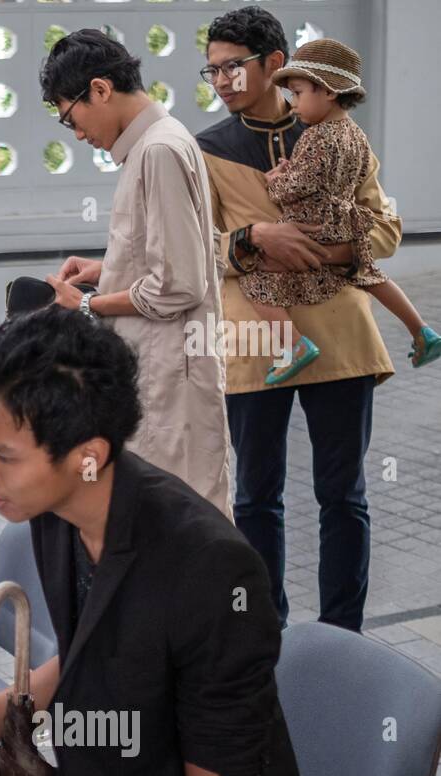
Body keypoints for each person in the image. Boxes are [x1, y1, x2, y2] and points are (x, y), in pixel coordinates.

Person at [0, 307, 312, 776]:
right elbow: (93, 651)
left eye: (2, 455)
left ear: (88, 457)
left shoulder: (212, 571)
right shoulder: (58, 512)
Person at [198, 8, 403, 631]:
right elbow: (192, 245)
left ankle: (344, 636)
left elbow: (387, 227)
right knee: (256, 499)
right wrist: (255, 237)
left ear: (276, 63)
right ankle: (268, 634)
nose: (223, 81)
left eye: (235, 66)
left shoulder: (340, 132)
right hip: (259, 340)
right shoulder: (203, 150)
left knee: (345, 498)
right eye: (212, 71)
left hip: (340, 338)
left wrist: (325, 248)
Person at [41, 30, 231, 517]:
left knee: (178, 527)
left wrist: (86, 303)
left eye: (72, 118)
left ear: (100, 90)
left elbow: (180, 284)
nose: (79, 134)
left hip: (170, 375)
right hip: (164, 368)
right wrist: (108, 269)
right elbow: (179, 255)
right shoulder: (158, 142)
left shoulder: (158, 151)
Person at [241, 39, 440, 383]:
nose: (294, 104)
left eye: (299, 93)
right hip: (347, 221)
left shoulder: (316, 136)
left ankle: (294, 346)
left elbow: (296, 187)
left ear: (329, 91)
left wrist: (275, 182)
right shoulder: (356, 134)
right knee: (370, 274)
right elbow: (346, 174)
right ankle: (422, 331)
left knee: (254, 274)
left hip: (313, 225)